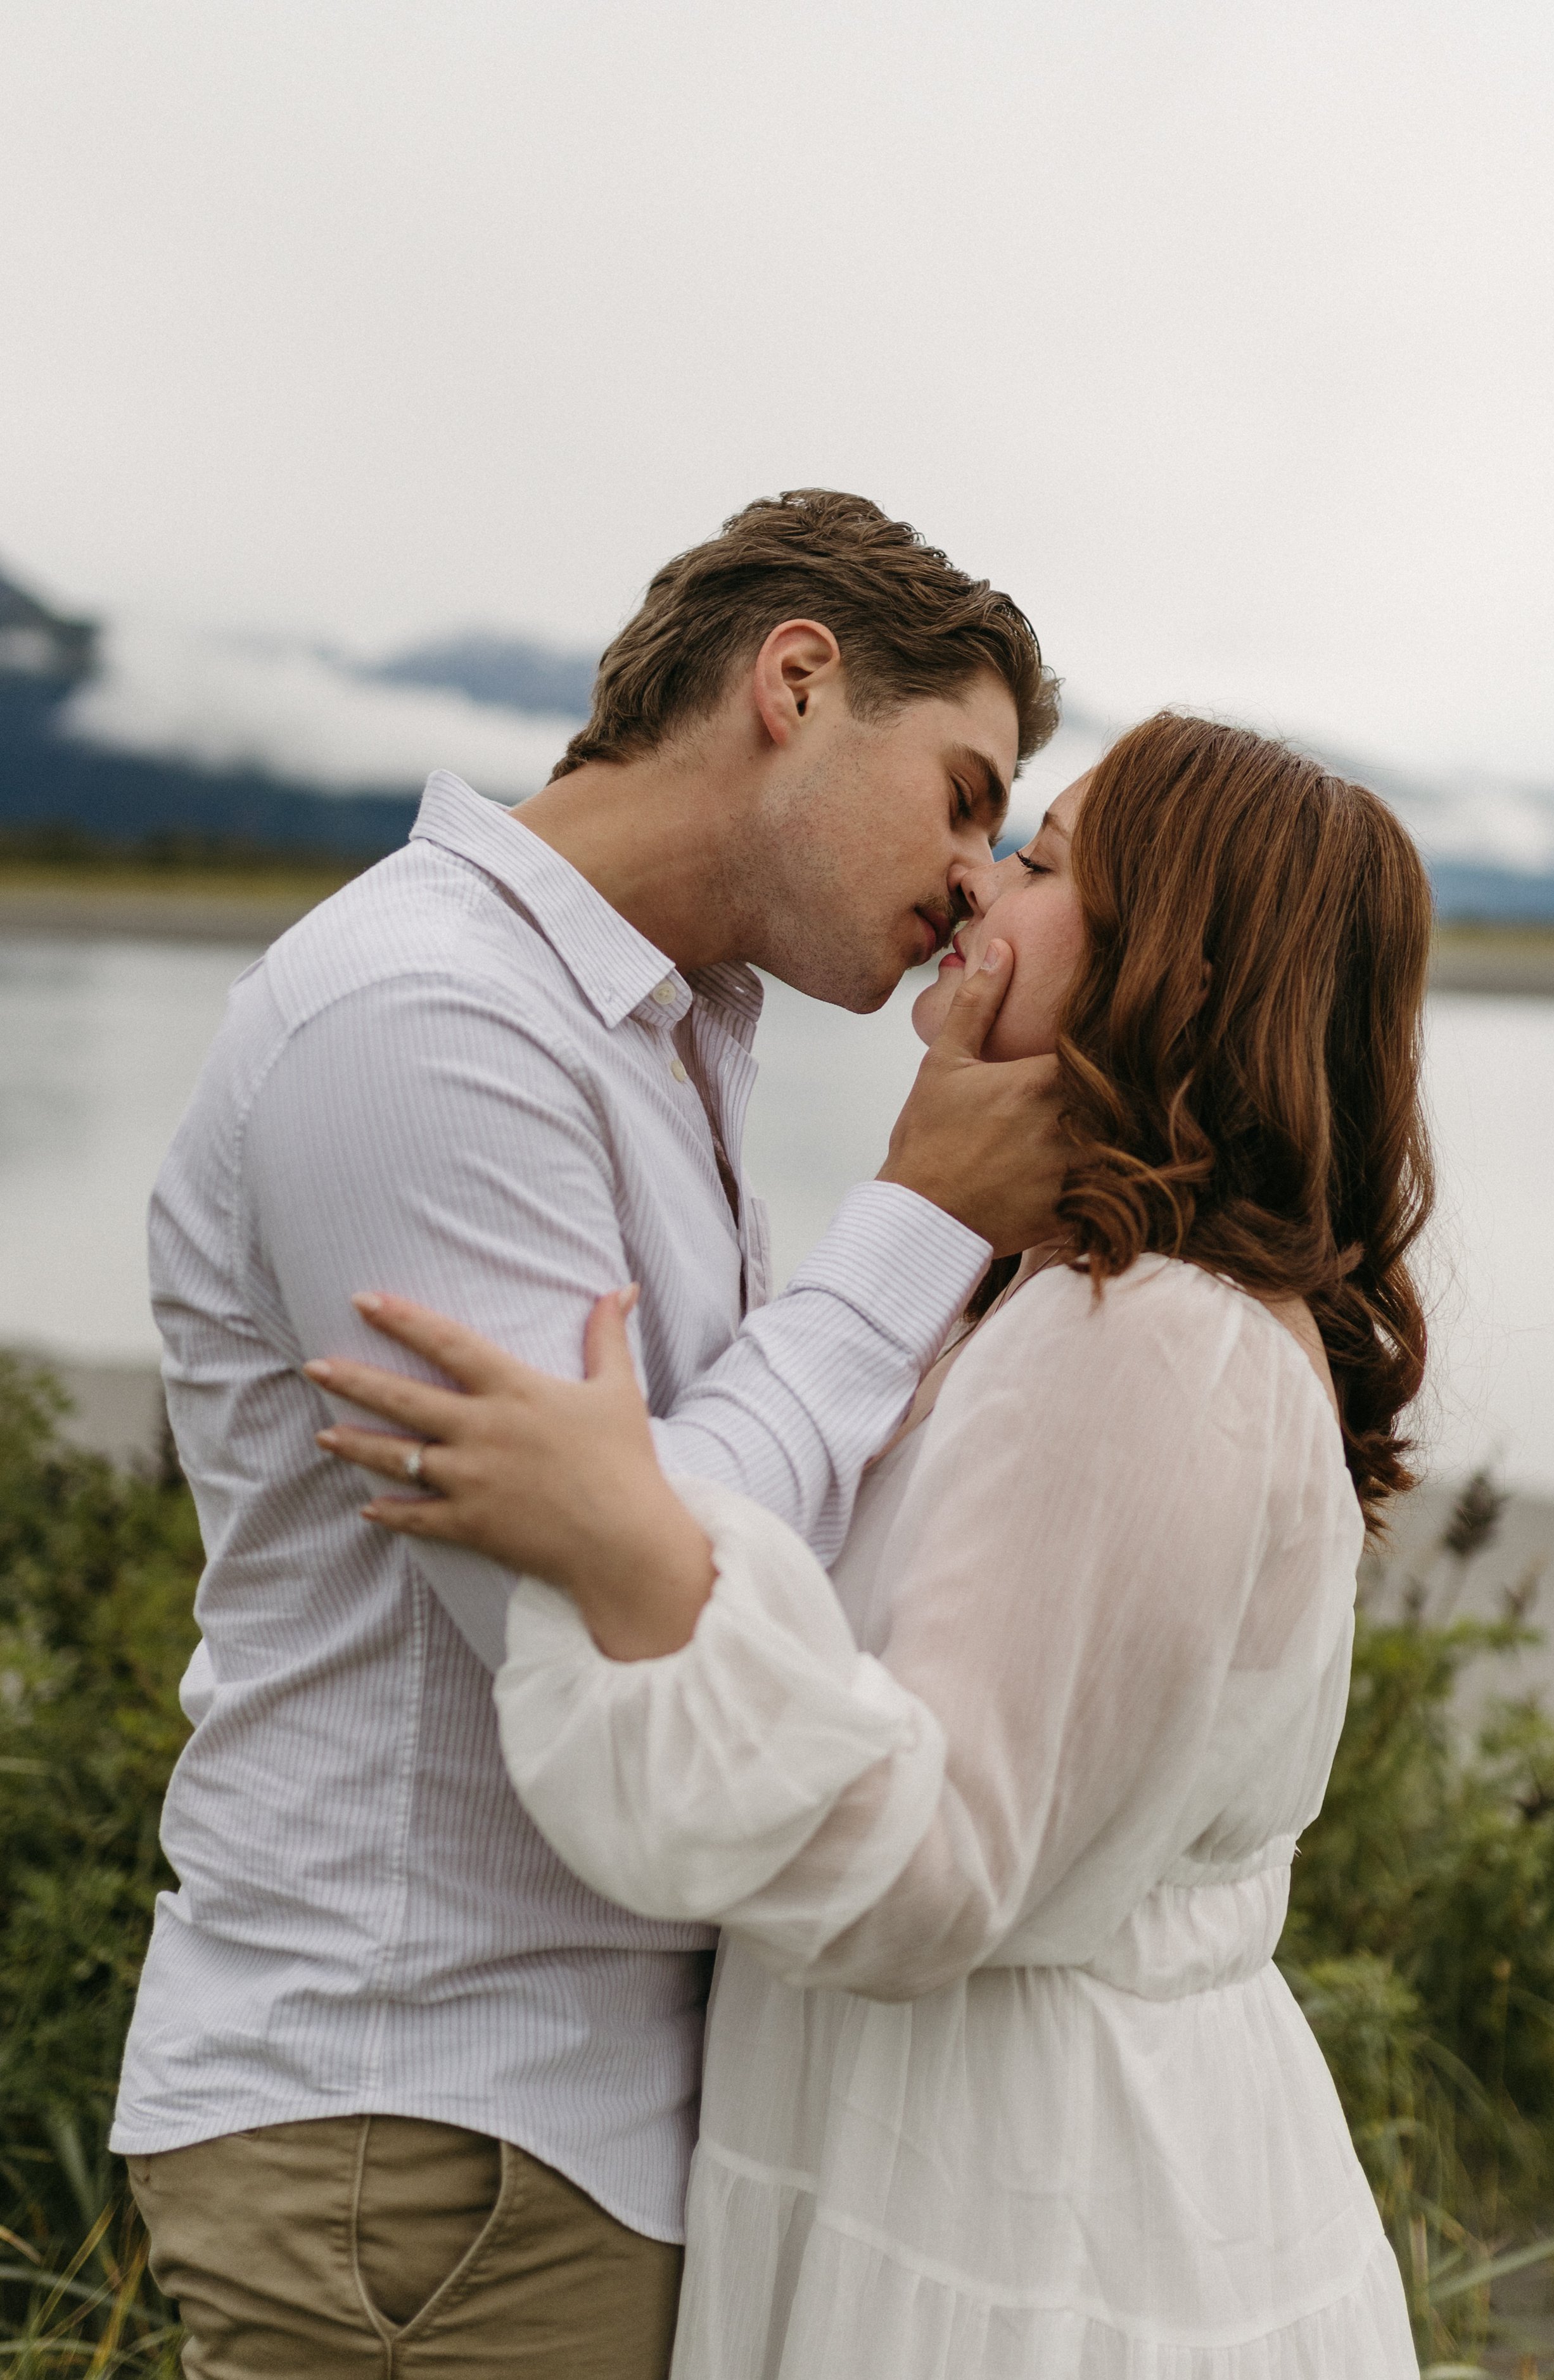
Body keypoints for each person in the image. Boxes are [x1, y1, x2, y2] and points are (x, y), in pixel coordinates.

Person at [310, 712, 1432, 2378]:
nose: (978, 880)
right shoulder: (1062, 1304)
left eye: (1045, 865)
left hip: (1022, 2205)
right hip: (973, 2147)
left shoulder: (1144, 1340)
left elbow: (939, 1870)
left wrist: (640, 1558)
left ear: (1170, 979)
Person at [115, 490, 1069, 2377]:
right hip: (425, 2136)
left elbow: (669, 1524)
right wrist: (916, 1224)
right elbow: (594, 1623)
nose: (978, 874)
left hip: (535, 2142)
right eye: (963, 793)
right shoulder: (422, 1021)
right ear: (795, 682)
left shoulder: (642, 1036)